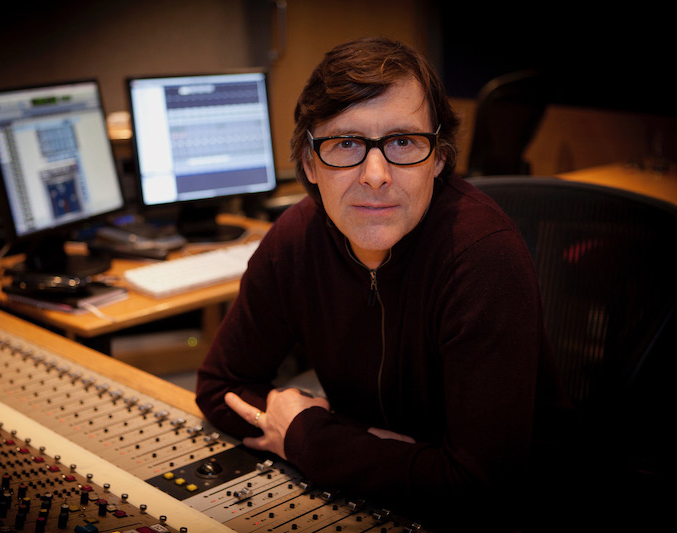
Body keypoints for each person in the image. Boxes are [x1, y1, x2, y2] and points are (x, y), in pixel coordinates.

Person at [195, 37, 576, 531]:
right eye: (347, 143)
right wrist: (380, 453)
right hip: (381, 504)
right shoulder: (295, 239)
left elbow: (478, 487)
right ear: (310, 163)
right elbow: (219, 387)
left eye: (402, 142)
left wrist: (308, 436)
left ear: (438, 158)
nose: (375, 175)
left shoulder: (484, 256)